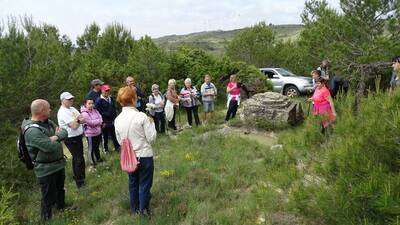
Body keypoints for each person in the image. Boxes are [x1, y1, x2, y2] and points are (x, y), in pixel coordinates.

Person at [114, 86, 157, 217]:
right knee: (144, 184)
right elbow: (152, 138)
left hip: (129, 157)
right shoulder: (141, 116)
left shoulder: (117, 119)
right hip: (144, 155)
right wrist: (152, 123)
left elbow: (120, 140)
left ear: (121, 102)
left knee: (133, 183)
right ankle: (144, 211)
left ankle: (135, 210)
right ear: (134, 99)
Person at [23, 99, 69, 221]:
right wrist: (56, 139)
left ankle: (62, 208)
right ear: (42, 110)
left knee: (60, 189)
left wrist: (54, 137)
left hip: (58, 164)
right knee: (48, 196)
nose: (50, 110)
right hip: (45, 169)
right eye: (48, 108)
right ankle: (47, 219)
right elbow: (49, 147)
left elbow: (64, 132)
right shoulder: (32, 131)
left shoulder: (48, 122)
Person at [57, 92, 86, 188]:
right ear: (63, 100)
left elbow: (83, 118)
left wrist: (78, 120)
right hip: (70, 138)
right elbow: (73, 126)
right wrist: (78, 120)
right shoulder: (62, 112)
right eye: (69, 99)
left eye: (72, 99)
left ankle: (81, 178)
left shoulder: (72, 109)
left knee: (79, 158)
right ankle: (80, 182)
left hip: (77, 137)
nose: (71, 101)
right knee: (78, 159)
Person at [95, 85, 120, 153]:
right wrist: (102, 122)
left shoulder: (110, 98)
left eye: (108, 90)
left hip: (112, 120)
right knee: (105, 136)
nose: (107, 92)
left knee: (114, 135)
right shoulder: (98, 101)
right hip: (105, 122)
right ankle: (106, 150)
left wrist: (115, 118)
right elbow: (98, 113)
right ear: (102, 91)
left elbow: (114, 108)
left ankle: (117, 147)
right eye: (105, 90)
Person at [80, 98, 103, 169]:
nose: (91, 105)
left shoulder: (95, 110)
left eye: (92, 103)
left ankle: (99, 159)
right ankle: (92, 163)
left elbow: (101, 118)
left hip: (98, 132)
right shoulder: (84, 113)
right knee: (91, 149)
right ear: (85, 104)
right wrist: (98, 121)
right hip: (90, 134)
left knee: (97, 147)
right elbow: (91, 123)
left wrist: (97, 121)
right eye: (89, 103)